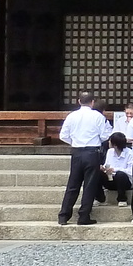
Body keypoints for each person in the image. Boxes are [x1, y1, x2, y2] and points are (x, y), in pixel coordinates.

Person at [57, 91, 113, 226]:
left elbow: (63, 135)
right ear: (92, 102)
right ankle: (84, 216)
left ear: (79, 101)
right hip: (92, 152)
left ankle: (64, 215)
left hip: (76, 151)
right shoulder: (97, 116)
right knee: (89, 185)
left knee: (73, 184)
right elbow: (105, 135)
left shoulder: (71, 116)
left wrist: (75, 141)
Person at [99, 132, 133, 206]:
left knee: (120, 174)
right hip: (111, 178)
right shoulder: (110, 152)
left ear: (115, 144)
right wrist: (104, 169)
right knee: (97, 172)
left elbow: (131, 172)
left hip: (125, 181)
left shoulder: (130, 153)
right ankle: (99, 198)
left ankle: (122, 199)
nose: (108, 142)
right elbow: (107, 165)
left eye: (110, 141)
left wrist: (115, 169)